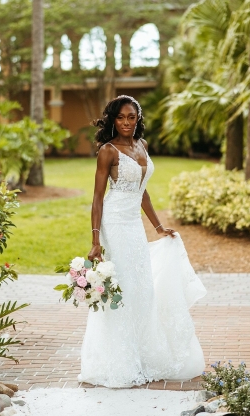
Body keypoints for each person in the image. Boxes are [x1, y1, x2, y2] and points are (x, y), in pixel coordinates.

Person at [78, 95, 206, 388]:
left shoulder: (142, 146)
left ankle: (142, 355)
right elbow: (97, 198)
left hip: (134, 225)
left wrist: (159, 227)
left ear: (138, 119)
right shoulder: (107, 152)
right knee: (123, 288)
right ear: (113, 120)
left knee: (143, 288)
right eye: (121, 118)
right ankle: (120, 359)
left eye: (131, 117)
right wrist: (96, 240)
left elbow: (142, 191)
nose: (126, 123)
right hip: (113, 223)